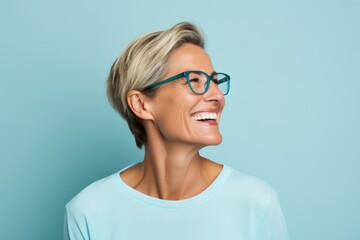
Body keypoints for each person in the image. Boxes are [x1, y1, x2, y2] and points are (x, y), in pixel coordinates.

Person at [64, 22, 288, 240]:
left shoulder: (256, 204)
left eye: (214, 81)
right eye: (194, 81)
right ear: (142, 105)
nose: (218, 96)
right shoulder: (88, 213)